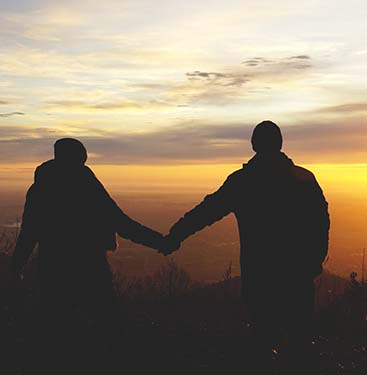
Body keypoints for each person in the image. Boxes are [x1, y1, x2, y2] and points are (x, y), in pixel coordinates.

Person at [162, 120, 330, 371]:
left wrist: (175, 235)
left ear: (253, 145)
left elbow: (207, 211)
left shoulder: (243, 181)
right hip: (298, 275)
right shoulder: (303, 179)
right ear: (281, 143)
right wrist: (314, 261)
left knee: (262, 343)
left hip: (259, 275)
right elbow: (321, 222)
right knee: (299, 345)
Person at [11, 138, 165, 373]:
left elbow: (29, 233)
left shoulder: (41, 187)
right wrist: (159, 242)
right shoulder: (86, 184)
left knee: (57, 332)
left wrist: (15, 268)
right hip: (90, 268)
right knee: (106, 326)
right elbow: (121, 223)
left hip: (52, 269)